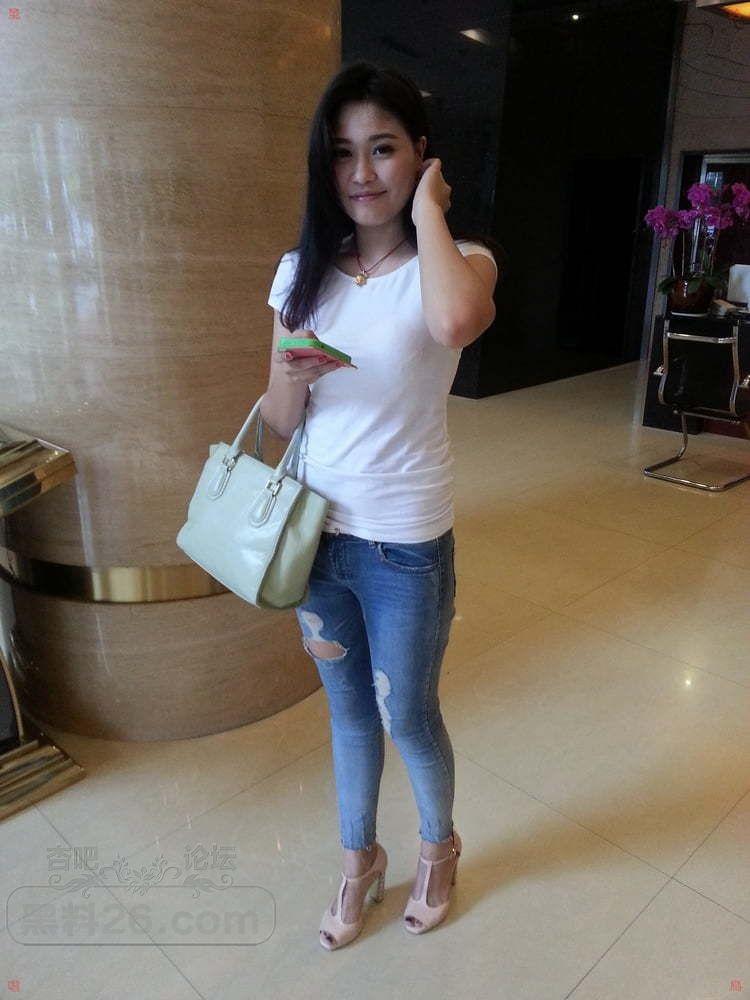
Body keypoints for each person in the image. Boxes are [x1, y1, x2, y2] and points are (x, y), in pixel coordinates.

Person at [261, 60, 504, 950]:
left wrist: (430, 211)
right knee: (349, 713)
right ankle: (358, 858)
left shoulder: (462, 262)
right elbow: (279, 420)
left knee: (408, 713)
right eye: (341, 153)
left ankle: (438, 847)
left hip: (404, 542)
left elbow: (454, 325)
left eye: (383, 149)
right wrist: (294, 372)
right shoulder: (301, 273)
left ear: (420, 155)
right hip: (316, 537)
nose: (360, 173)